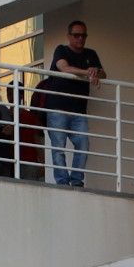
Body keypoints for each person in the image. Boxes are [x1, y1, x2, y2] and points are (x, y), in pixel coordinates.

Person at [39, 20, 104, 186]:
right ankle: (62, 182)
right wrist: (88, 73)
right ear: (69, 36)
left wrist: (96, 71)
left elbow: (103, 74)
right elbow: (64, 68)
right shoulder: (62, 50)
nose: (80, 38)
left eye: (83, 35)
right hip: (57, 108)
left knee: (83, 145)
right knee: (58, 148)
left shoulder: (91, 54)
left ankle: (76, 181)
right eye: (76, 35)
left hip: (78, 111)